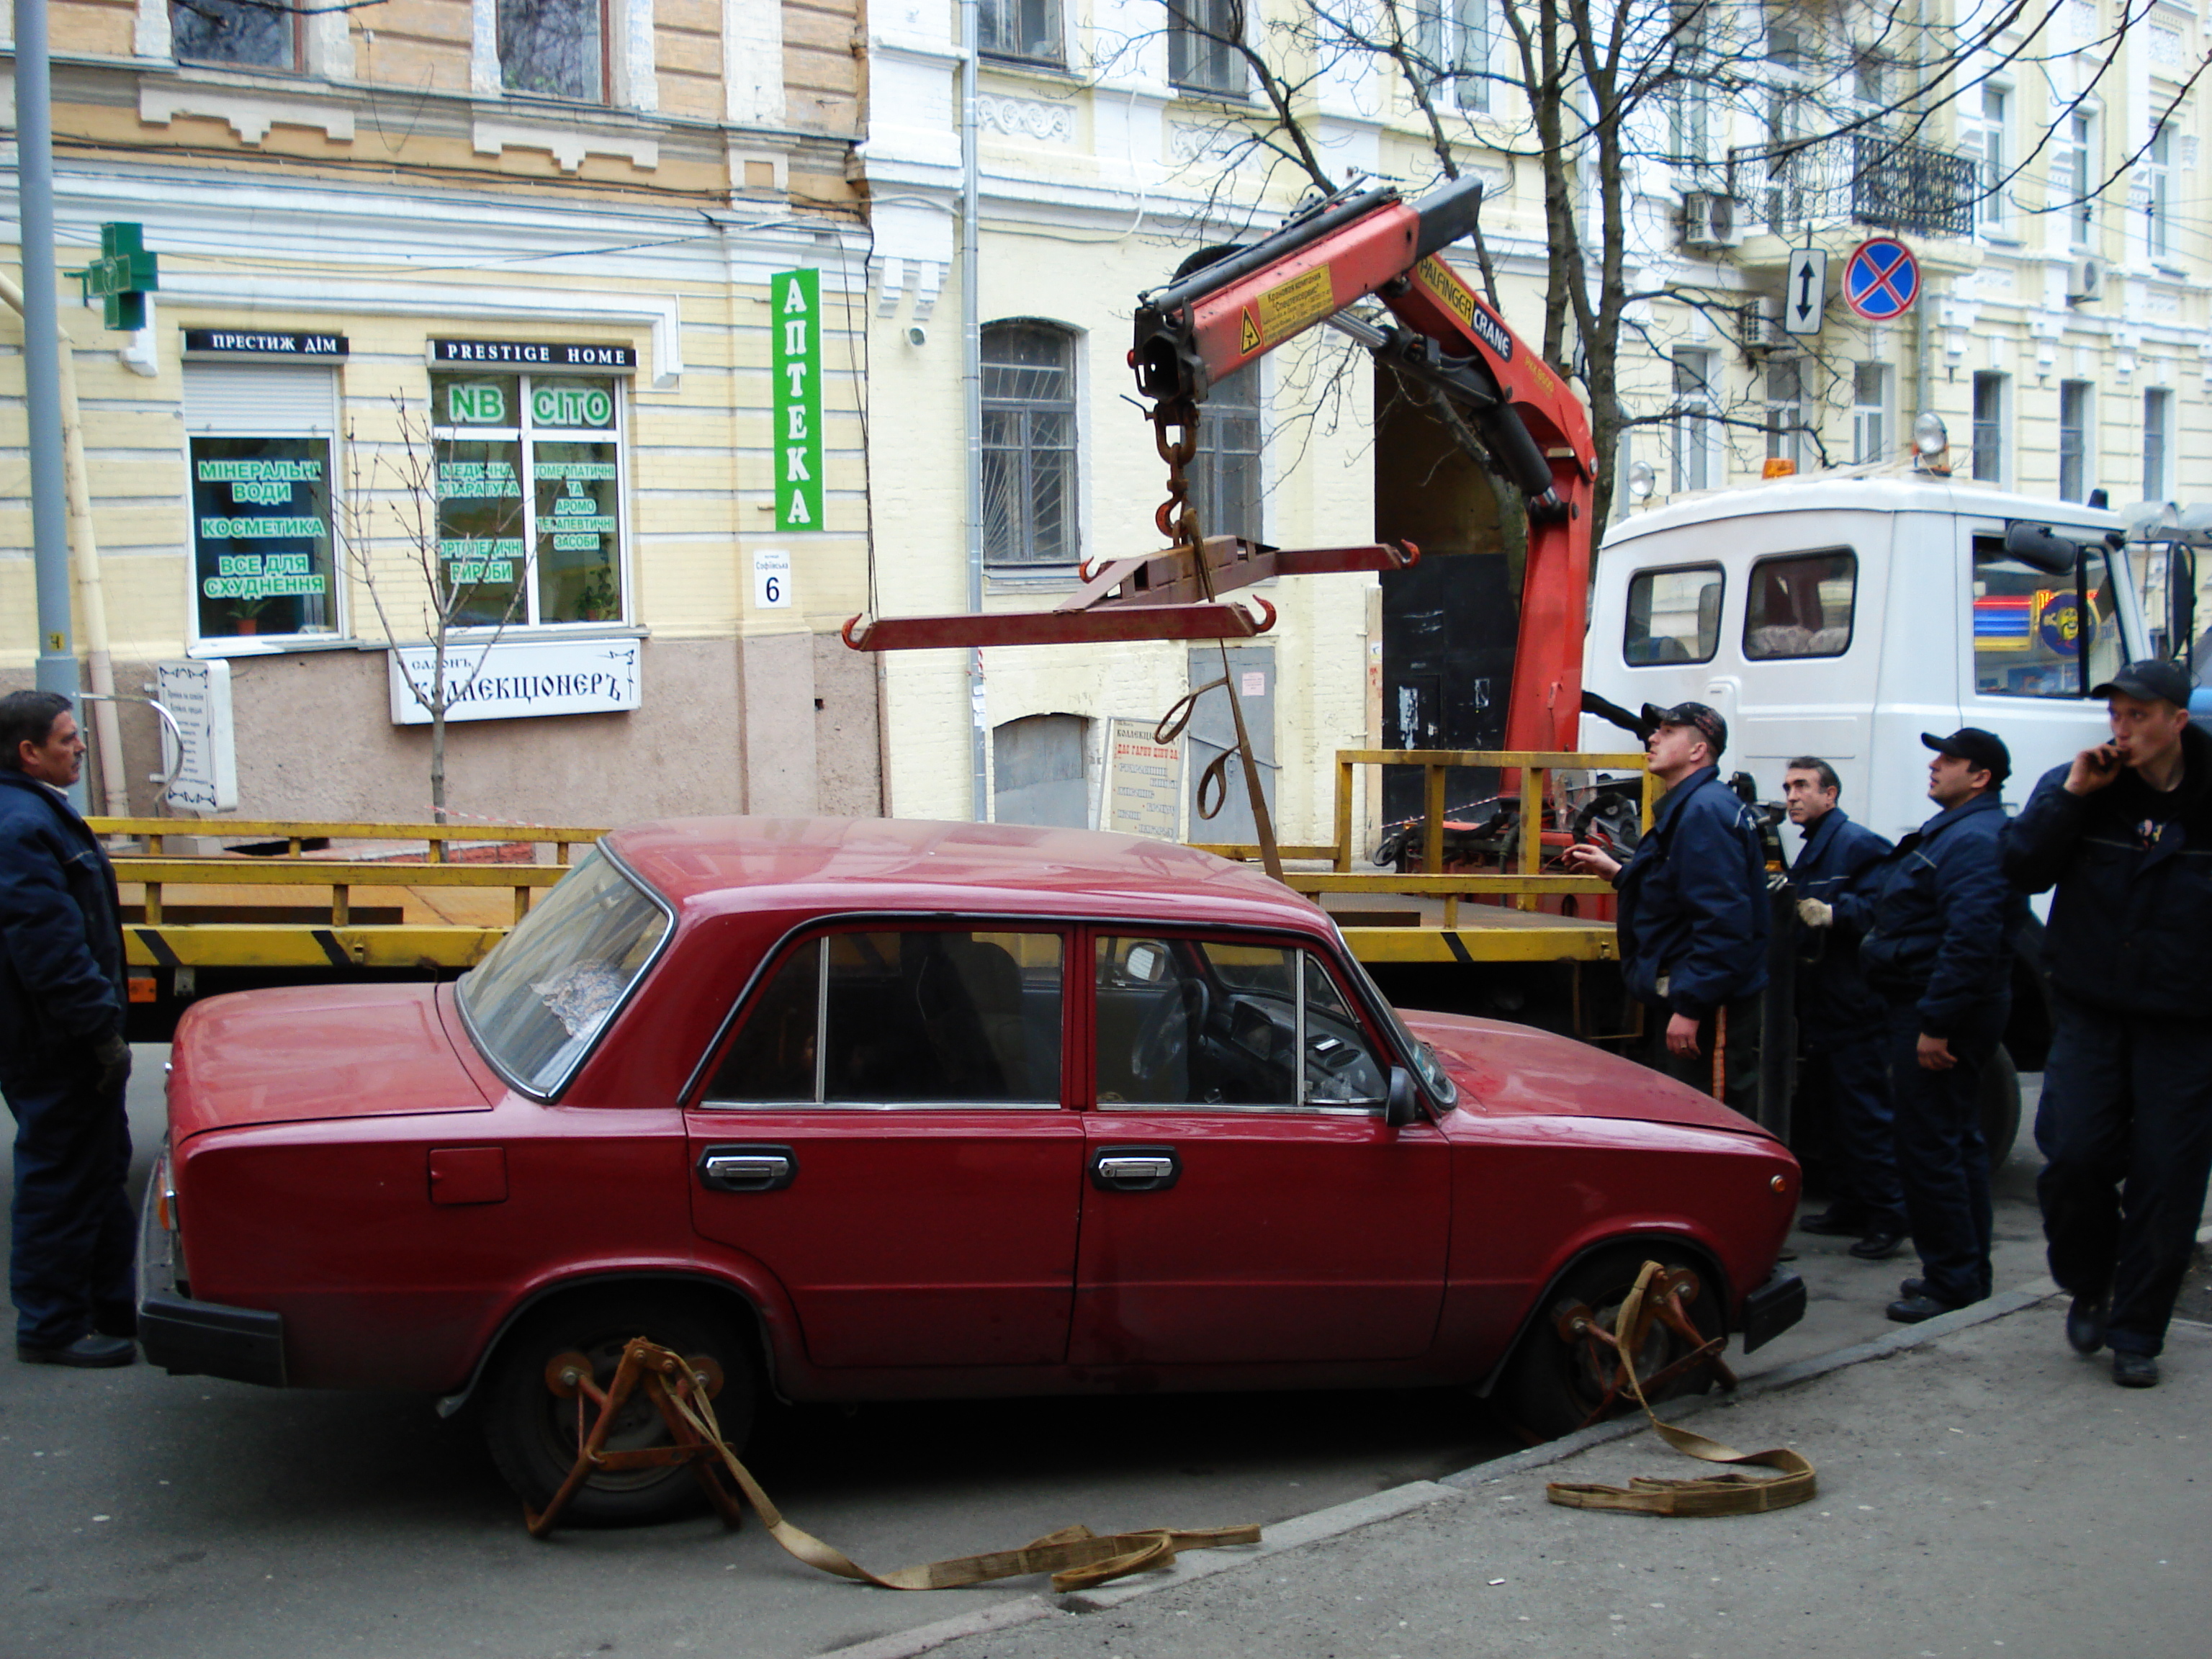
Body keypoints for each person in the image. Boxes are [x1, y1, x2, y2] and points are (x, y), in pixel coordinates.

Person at [2002, 660, 2212, 1389]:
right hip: (2091, 1007)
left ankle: (2137, 1330)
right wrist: (2069, 799)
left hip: (2186, 1021)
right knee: (2076, 1160)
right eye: (2116, 715)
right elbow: (2021, 865)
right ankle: (2090, 1281)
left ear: (2177, 721)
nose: (2122, 731)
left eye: (2139, 717)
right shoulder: (2082, 784)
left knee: (2168, 1177)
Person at [1859, 728, 2023, 1325]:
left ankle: (1951, 1282)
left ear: (1980, 777)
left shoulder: (1975, 840)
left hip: (1938, 1012)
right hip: (1935, 1005)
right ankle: (1963, 1272)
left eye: (1949, 759)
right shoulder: (1961, 832)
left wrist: (1937, 1023)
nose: (1934, 765)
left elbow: (1971, 941)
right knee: (1955, 1142)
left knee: (1931, 1147)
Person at [0, 691, 136, 1367]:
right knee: (62, 1179)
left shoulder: (36, 814)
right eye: (65, 739)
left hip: (62, 1040)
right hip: (54, 1045)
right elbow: (50, 948)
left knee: (98, 1171)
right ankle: (52, 1327)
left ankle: (111, 1306)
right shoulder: (20, 826)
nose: (79, 745)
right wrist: (98, 1031)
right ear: (28, 753)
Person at [1563, 702, 1769, 1115]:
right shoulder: (1694, 807)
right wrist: (1620, 874)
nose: (1652, 738)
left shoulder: (1705, 813)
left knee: (1713, 1123)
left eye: (1668, 731)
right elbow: (1677, 892)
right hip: (1697, 994)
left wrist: (1690, 1006)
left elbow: (1723, 922)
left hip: (1709, 1007)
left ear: (1697, 751)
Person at [1784, 757, 1905, 1261]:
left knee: (1863, 1114)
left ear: (1830, 795)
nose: (1792, 795)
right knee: (1830, 1112)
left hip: (1854, 1004)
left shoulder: (1856, 844)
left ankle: (1889, 1217)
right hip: (1825, 1004)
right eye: (1789, 786)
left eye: (1803, 786)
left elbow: (1889, 906)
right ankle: (1849, 1206)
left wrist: (1838, 913)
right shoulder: (1816, 848)